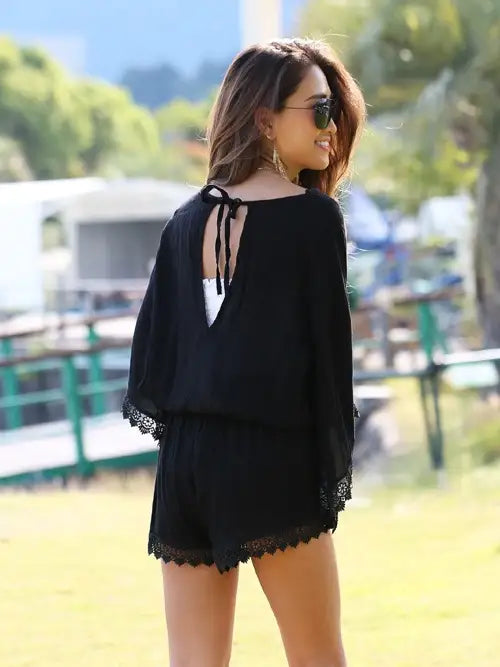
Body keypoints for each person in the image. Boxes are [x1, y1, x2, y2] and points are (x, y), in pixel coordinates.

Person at [122, 37, 365, 667]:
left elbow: (150, 366)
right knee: (319, 657)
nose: (331, 126)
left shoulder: (183, 222)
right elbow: (328, 369)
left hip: (185, 466)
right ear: (265, 119)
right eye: (319, 109)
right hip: (273, 456)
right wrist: (330, 476)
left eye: (335, 110)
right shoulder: (314, 219)